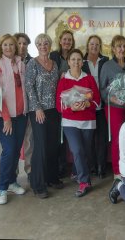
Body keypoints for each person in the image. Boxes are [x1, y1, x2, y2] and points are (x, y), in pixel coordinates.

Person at [56, 49, 101, 197]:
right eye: (73, 59)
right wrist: (71, 107)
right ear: (68, 62)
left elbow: (97, 101)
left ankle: (76, 171)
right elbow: (58, 105)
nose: (76, 62)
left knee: (85, 151)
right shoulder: (63, 81)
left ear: (83, 62)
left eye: (79, 59)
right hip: (70, 122)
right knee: (77, 150)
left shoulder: (89, 79)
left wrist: (88, 105)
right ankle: (84, 182)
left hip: (88, 122)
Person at [0, 34, 28, 205]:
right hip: (5, 117)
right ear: (1, 47)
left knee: (16, 149)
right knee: (8, 150)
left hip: (21, 115)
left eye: (11, 45)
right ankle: (2, 188)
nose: (8, 48)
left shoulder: (21, 64)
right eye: (5, 45)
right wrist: (6, 118)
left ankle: (12, 182)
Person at [25, 33, 63, 199]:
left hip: (54, 109)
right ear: (36, 46)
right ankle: (38, 184)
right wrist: (37, 108)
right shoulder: (32, 63)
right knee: (40, 146)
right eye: (40, 43)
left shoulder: (54, 64)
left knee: (53, 144)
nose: (43, 46)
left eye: (46, 43)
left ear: (50, 45)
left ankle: (51, 178)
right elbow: (29, 87)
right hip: (38, 111)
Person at [100, 35, 125, 180]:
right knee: (117, 139)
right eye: (118, 46)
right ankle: (117, 172)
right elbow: (102, 88)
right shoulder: (107, 66)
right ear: (113, 49)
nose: (121, 49)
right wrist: (112, 98)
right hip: (113, 107)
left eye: (124, 46)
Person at [82, 35, 109, 178]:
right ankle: (91, 166)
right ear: (88, 45)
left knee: (102, 138)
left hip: (102, 105)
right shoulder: (81, 61)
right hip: (87, 107)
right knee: (89, 139)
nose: (94, 47)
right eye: (92, 44)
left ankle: (101, 167)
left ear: (100, 46)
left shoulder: (105, 61)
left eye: (97, 44)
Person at [49, 29, 75, 177]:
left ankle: (66, 165)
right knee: (58, 136)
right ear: (60, 41)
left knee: (67, 136)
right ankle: (58, 166)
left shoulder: (76, 56)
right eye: (64, 39)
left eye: (69, 40)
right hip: (56, 101)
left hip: (72, 102)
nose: (67, 42)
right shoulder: (53, 56)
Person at [14, 33, 33, 180]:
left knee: (29, 141)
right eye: (19, 43)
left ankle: (30, 171)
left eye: (24, 43)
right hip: (14, 109)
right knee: (13, 143)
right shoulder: (8, 62)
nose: (22, 46)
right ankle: (12, 174)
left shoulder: (33, 62)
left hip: (30, 107)